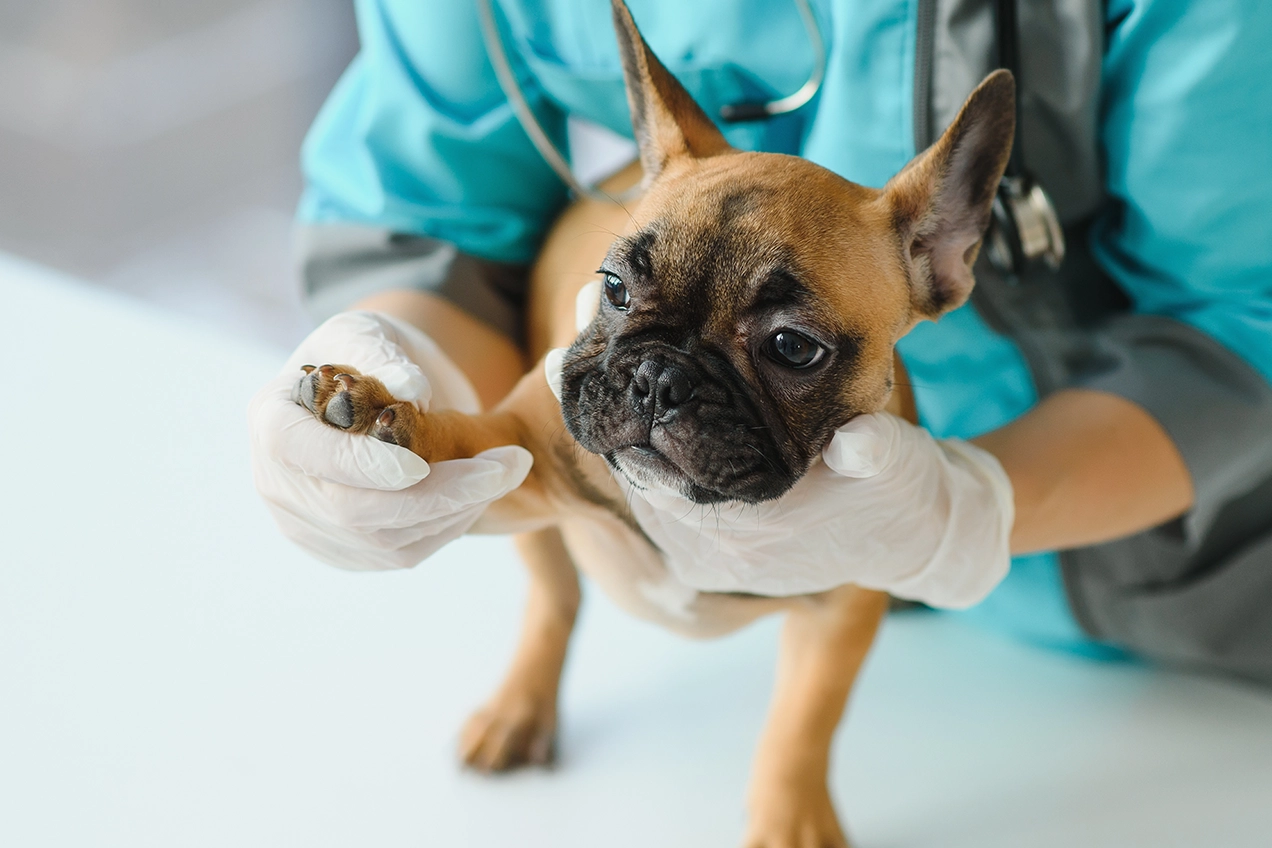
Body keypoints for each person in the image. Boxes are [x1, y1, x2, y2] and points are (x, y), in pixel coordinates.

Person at [250, 0, 1272, 682]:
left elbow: (1243, 314)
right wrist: (391, 379)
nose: (659, 390)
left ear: (940, 253)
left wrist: (969, 506)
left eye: (788, 346)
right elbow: (433, 199)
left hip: (1173, 587)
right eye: (623, 293)